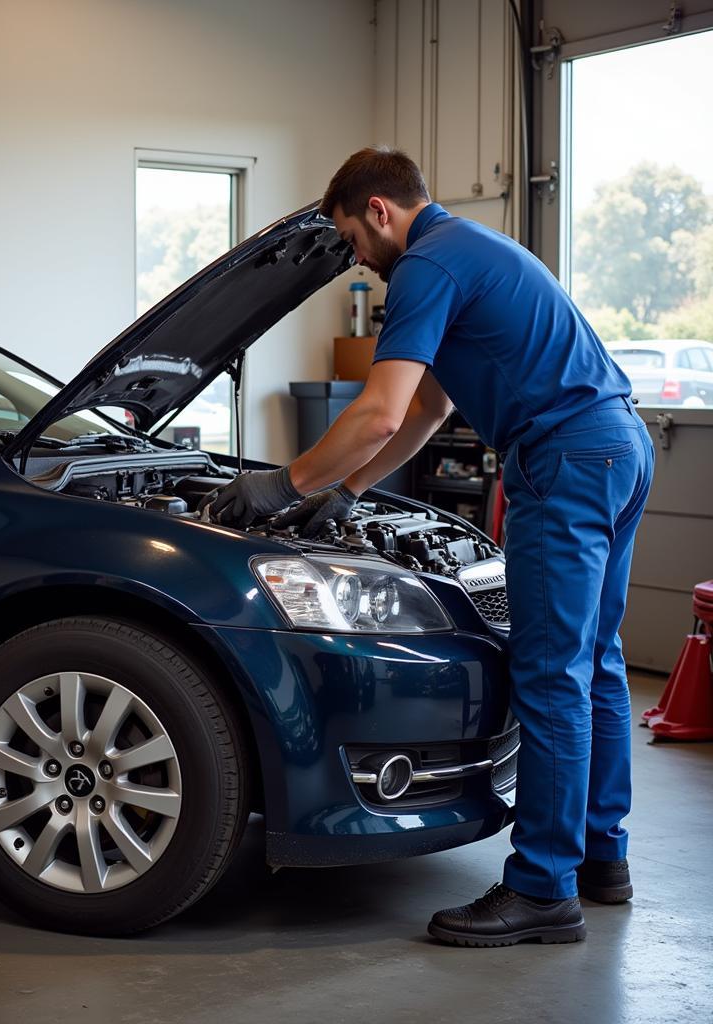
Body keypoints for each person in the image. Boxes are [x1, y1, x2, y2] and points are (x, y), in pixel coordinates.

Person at [201, 147, 655, 947]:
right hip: (617, 444)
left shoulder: (426, 267)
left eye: (350, 239)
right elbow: (425, 412)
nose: (356, 261)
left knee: (551, 674)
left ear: (379, 210)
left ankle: (543, 888)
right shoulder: (470, 250)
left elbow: (376, 412)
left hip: (566, 459)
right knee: (597, 661)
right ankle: (599, 857)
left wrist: (285, 484)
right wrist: (346, 492)